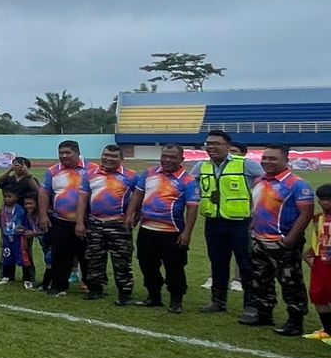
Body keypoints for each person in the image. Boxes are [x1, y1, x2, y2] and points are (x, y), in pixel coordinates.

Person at [241, 145, 315, 335]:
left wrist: (289, 240)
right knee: (260, 279)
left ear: (286, 160)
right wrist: (252, 230)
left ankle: (295, 321)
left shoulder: (296, 184)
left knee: (291, 283)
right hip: (259, 240)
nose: (267, 161)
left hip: (282, 243)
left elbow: (306, 214)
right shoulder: (259, 180)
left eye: (273, 158)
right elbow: (255, 207)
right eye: (264, 158)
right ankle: (264, 313)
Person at [194, 129, 262, 312]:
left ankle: (251, 305)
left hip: (241, 223)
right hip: (213, 222)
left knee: (246, 264)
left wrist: (257, 211)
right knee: (217, 262)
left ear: (228, 146)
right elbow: (192, 187)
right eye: (208, 144)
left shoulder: (246, 165)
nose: (211, 147)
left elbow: (266, 184)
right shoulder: (201, 166)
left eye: (216, 144)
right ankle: (218, 302)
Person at [127, 143, 199, 313]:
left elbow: (192, 208)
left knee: (174, 267)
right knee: (147, 265)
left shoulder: (188, 181)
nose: (167, 160)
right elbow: (138, 194)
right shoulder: (149, 173)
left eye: (172, 157)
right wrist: (130, 214)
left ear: (181, 159)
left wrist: (187, 233)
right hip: (147, 229)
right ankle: (154, 296)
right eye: (164, 156)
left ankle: (176, 299)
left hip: (172, 232)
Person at [83, 144, 136, 306]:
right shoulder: (90, 174)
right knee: (94, 258)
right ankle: (95, 290)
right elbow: (83, 199)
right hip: (95, 223)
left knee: (122, 260)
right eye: (106, 155)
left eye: (113, 156)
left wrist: (133, 217)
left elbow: (139, 197)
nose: (109, 159)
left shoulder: (131, 176)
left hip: (119, 225)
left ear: (121, 159)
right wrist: (80, 221)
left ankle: (125, 293)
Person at [39, 141, 89, 298]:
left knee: (87, 254)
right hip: (60, 220)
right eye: (61, 153)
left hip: (87, 221)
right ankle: (59, 285)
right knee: (60, 255)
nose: (64, 156)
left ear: (77, 152)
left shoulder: (92, 169)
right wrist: (43, 216)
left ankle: (92, 286)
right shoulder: (53, 171)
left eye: (68, 152)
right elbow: (44, 193)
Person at [304, 185, 331, 341]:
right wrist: (309, 255)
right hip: (320, 262)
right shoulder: (318, 218)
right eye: (322, 199)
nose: (325, 203)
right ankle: (327, 330)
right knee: (317, 295)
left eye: (329, 199)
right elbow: (319, 239)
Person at [0, 186, 37, 287]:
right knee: (7, 257)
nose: (6, 198)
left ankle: (27, 279)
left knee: (23, 258)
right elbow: (1, 225)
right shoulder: (2, 210)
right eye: (5, 196)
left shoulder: (21, 210)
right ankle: (6, 276)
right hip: (7, 238)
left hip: (19, 239)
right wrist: (2, 237)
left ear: (16, 197)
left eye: (9, 196)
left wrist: (25, 235)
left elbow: (26, 225)